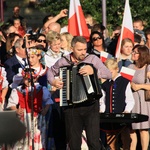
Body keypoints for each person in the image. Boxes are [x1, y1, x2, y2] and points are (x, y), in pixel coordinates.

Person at [47, 36, 112, 150]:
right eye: (79, 50)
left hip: (91, 105)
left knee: (93, 142)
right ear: (72, 48)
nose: (83, 53)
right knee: (74, 143)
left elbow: (108, 74)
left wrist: (94, 71)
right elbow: (50, 72)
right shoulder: (64, 61)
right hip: (72, 107)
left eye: (84, 49)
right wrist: (54, 81)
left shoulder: (92, 59)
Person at [7, 67, 53, 149]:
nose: (27, 81)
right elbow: (11, 104)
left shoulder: (41, 88)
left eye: (30, 79)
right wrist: (16, 110)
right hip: (24, 117)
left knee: (38, 136)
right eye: (25, 79)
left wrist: (45, 110)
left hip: (37, 117)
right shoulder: (18, 90)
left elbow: (48, 101)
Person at [100, 58, 135, 150]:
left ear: (117, 69)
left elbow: (130, 100)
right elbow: (103, 100)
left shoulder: (124, 82)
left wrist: (127, 110)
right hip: (109, 116)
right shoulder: (104, 85)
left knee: (125, 138)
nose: (108, 75)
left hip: (122, 114)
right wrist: (102, 111)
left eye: (110, 72)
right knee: (110, 139)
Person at [128, 44, 150, 150]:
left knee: (143, 129)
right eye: (133, 51)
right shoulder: (130, 67)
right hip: (131, 100)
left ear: (142, 54)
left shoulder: (148, 67)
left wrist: (139, 86)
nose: (132, 53)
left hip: (143, 102)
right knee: (131, 129)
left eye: (135, 52)